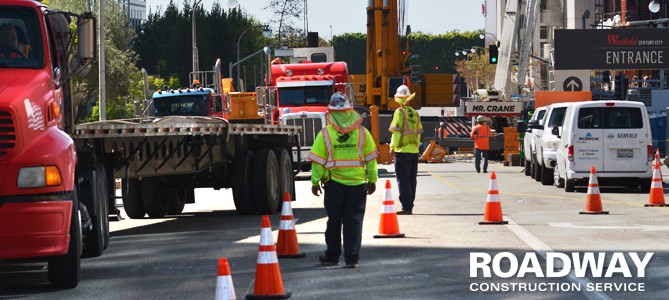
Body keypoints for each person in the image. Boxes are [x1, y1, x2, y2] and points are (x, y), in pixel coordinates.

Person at [309, 92, 378, 269]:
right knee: (353, 221)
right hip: (358, 184)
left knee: (334, 221)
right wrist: (372, 179)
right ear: (350, 110)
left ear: (330, 112)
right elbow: (371, 159)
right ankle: (352, 258)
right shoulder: (363, 133)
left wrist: (315, 182)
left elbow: (318, 160)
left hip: (334, 185)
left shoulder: (325, 134)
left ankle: (332, 256)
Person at [388, 85, 423, 215]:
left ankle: (406, 207)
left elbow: (396, 132)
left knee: (402, 180)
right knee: (411, 180)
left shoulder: (399, 112)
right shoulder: (415, 113)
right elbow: (418, 133)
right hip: (414, 151)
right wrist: (416, 147)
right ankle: (410, 205)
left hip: (402, 151)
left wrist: (392, 147)